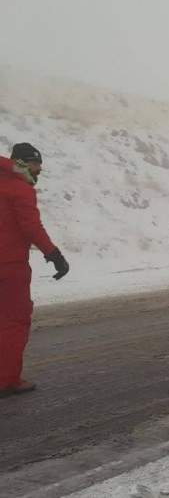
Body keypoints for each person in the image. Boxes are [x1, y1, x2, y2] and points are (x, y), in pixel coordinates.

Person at [0, 143, 69, 398]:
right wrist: (54, 254)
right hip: (9, 267)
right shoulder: (20, 188)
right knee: (13, 321)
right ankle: (6, 381)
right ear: (23, 162)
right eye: (37, 164)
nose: (39, 170)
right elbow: (31, 227)